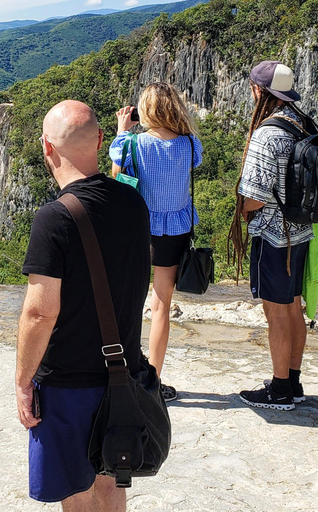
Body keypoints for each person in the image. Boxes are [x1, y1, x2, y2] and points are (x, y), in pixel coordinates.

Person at [15, 100, 151, 511]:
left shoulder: (54, 218)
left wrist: (23, 381)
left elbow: (40, 312)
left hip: (68, 384)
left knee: (76, 492)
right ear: (100, 140)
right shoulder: (133, 203)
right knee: (111, 482)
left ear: (46, 147)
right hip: (122, 376)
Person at [229, 61, 316, 411]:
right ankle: (292, 381)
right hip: (302, 231)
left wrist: (242, 211)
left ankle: (279, 391)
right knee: (293, 306)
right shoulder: (303, 123)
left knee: (275, 312)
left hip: (274, 236)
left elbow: (254, 197)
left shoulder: (267, 133)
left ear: (259, 91)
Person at [108, 82, 203, 402]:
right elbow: (191, 165)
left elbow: (116, 176)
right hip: (174, 229)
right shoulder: (190, 144)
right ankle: (154, 382)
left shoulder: (132, 144)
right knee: (161, 305)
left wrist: (123, 130)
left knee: (130, 302)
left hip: (138, 228)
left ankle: (123, 374)